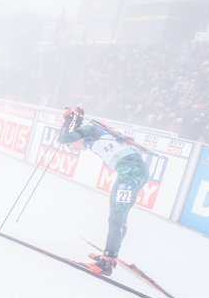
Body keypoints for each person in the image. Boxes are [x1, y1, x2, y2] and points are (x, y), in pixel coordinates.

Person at [57, 107, 149, 276]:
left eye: (73, 144)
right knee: (120, 218)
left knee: (116, 218)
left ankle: (107, 263)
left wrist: (68, 121)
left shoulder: (88, 130)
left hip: (130, 173)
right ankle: (111, 256)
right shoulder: (94, 134)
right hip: (135, 171)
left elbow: (63, 138)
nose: (74, 147)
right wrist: (74, 120)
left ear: (78, 135)